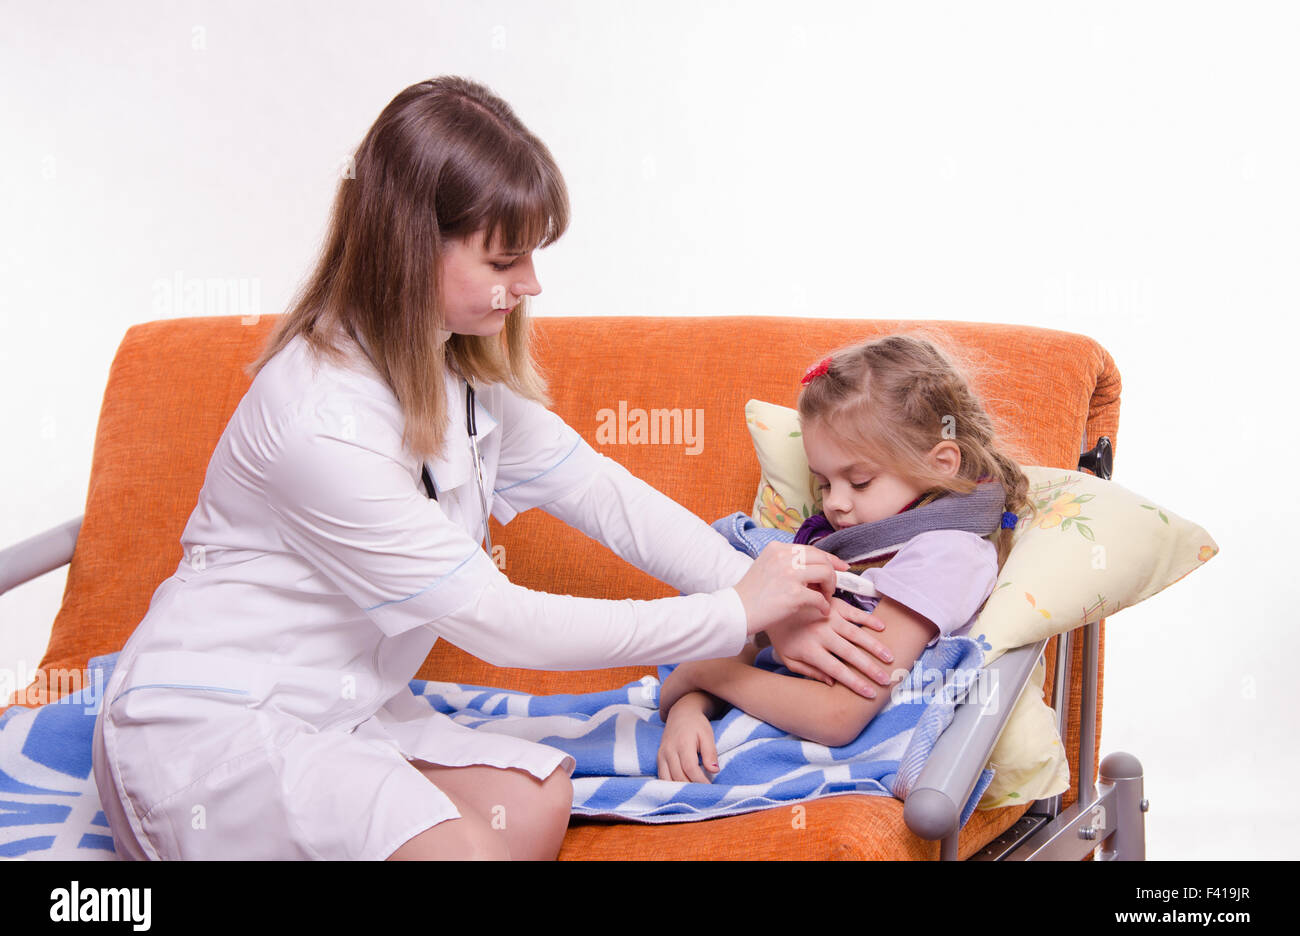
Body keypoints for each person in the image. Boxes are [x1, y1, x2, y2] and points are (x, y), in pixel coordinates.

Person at [91, 76, 897, 861]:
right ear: (408, 250)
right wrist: (729, 614)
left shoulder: (452, 375)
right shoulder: (320, 421)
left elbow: (598, 491)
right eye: (507, 259)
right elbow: (496, 620)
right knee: (464, 850)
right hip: (210, 727)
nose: (532, 283)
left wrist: (772, 597)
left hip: (340, 707)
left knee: (535, 804)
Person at [656, 334, 1029, 782]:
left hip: (822, 742)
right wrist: (689, 709)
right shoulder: (844, 541)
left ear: (942, 462)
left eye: (860, 481)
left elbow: (838, 717)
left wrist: (706, 677)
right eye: (824, 483)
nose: (835, 504)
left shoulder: (945, 554)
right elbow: (759, 648)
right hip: (752, 713)